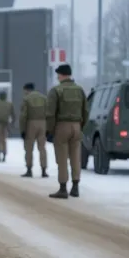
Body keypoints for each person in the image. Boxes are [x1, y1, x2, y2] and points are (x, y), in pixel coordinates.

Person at [46, 64, 89, 199]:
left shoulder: (56, 91)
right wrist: (80, 126)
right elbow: (86, 111)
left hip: (62, 126)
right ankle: (75, 187)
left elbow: (50, 113)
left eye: (58, 74)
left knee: (62, 158)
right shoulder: (80, 90)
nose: (57, 77)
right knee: (76, 157)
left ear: (62, 75)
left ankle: (63, 188)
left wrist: (50, 130)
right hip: (77, 126)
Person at [19, 82, 49, 178]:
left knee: (29, 148)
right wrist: (48, 128)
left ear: (27, 90)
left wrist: (23, 130)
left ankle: (29, 169)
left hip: (30, 124)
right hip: (43, 123)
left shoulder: (26, 99)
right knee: (42, 148)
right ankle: (44, 170)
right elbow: (49, 113)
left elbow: (23, 116)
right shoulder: (44, 98)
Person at [0, 91, 14, 162]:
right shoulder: (9, 104)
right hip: (6, 124)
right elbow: (13, 115)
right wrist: (11, 124)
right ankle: (4, 156)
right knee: (4, 141)